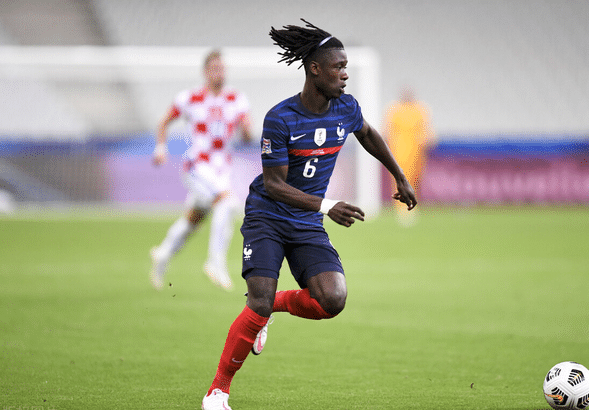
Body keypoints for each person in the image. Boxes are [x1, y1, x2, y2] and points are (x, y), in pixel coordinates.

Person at [201, 20, 417, 410]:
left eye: (346, 66)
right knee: (258, 300)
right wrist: (327, 205)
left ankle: (273, 307)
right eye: (338, 66)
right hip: (268, 218)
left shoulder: (346, 108)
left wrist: (399, 176)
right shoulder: (281, 118)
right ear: (315, 69)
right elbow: (274, 185)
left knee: (332, 299)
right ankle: (218, 391)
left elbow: (368, 134)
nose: (345, 74)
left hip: (305, 223)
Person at [150, 50, 253, 291]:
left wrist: (247, 130)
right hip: (197, 166)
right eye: (215, 69)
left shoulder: (236, 99)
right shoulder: (190, 98)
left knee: (194, 218)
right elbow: (164, 121)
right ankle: (215, 263)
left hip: (221, 169)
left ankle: (163, 253)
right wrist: (161, 148)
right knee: (226, 202)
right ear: (206, 72)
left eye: (222, 68)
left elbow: (247, 133)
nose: (220, 73)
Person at [384, 86, 435, 226]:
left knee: (415, 178)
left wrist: (427, 138)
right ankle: (402, 208)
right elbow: (388, 131)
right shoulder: (394, 110)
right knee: (400, 178)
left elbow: (427, 130)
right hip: (399, 151)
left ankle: (412, 204)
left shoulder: (420, 109)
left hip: (416, 152)